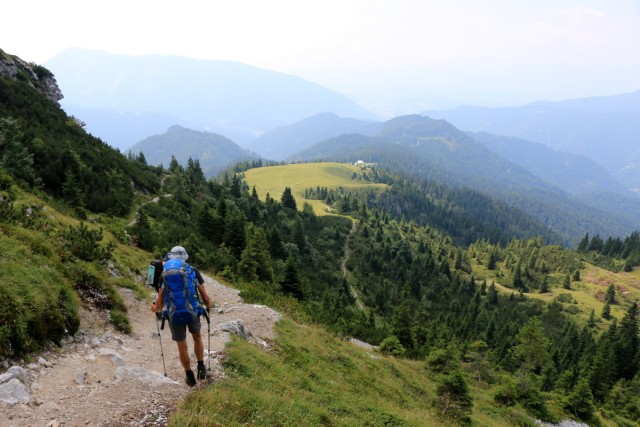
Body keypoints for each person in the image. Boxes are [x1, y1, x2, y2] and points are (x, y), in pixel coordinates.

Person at [151, 246, 212, 386]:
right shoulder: (192, 271)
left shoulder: (164, 274)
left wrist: (154, 308)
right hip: (192, 311)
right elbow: (205, 297)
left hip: (173, 314)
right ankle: (201, 366)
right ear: (184, 258)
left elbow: (159, 303)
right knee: (197, 337)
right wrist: (208, 307)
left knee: (181, 345)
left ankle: (189, 376)